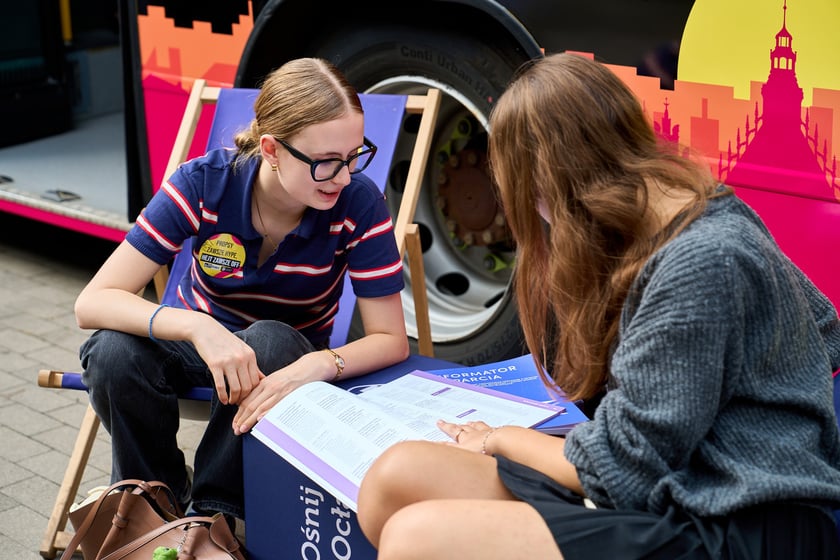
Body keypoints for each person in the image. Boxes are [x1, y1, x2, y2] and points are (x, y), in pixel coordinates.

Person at [356, 52, 840, 559]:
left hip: (737, 523)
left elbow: (621, 469)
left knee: (418, 540)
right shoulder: (690, 210)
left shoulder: (700, 260)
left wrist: (499, 438)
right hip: (673, 487)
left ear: (553, 182)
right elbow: (823, 328)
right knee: (394, 479)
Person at [75, 57, 410, 525]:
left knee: (268, 339)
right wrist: (197, 327)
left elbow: (391, 338)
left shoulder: (358, 201)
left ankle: (214, 520)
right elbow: (92, 302)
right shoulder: (204, 184)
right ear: (271, 149)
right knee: (111, 352)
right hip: (197, 346)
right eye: (327, 162)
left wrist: (321, 363)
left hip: (283, 357)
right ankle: (156, 504)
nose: (344, 175)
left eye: (355, 155)